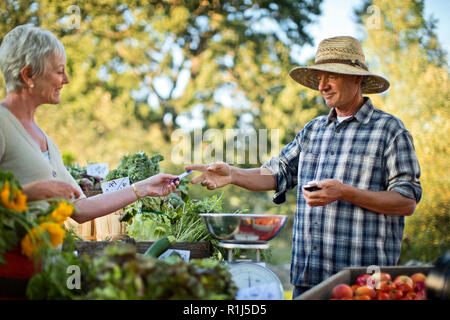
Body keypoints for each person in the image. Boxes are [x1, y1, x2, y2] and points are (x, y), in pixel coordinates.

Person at [186, 36, 422, 299]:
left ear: (357, 79)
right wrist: (232, 173)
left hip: (363, 285)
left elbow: (406, 200)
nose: (322, 86)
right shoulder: (313, 130)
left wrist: (344, 192)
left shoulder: (390, 131)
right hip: (308, 280)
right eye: (319, 77)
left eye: (331, 76)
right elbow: (277, 172)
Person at [0, 25, 179, 226]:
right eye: (59, 71)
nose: (66, 80)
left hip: (44, 258)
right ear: (28, 75)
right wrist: (30, 193)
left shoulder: (45, 140)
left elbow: (79, 208)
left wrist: (144, 187)